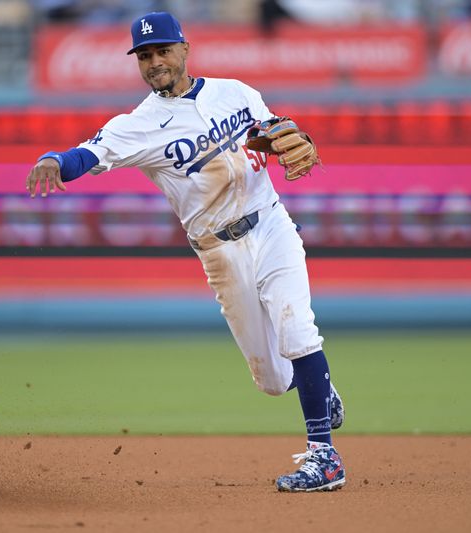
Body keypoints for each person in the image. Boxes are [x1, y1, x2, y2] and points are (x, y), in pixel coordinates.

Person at [25, 11, 345, 492]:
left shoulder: (235, 91)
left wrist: (284, 132)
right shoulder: (140, 124)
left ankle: (324, 456)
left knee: (298, 328)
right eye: (145, 55)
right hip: (219, 250)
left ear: (185, 49)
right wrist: (55, 160)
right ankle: (320, 392)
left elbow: (271, 127)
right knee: (274, 380)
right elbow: (91, 154)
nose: (155, 62)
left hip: (273, 225)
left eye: (163, 51)